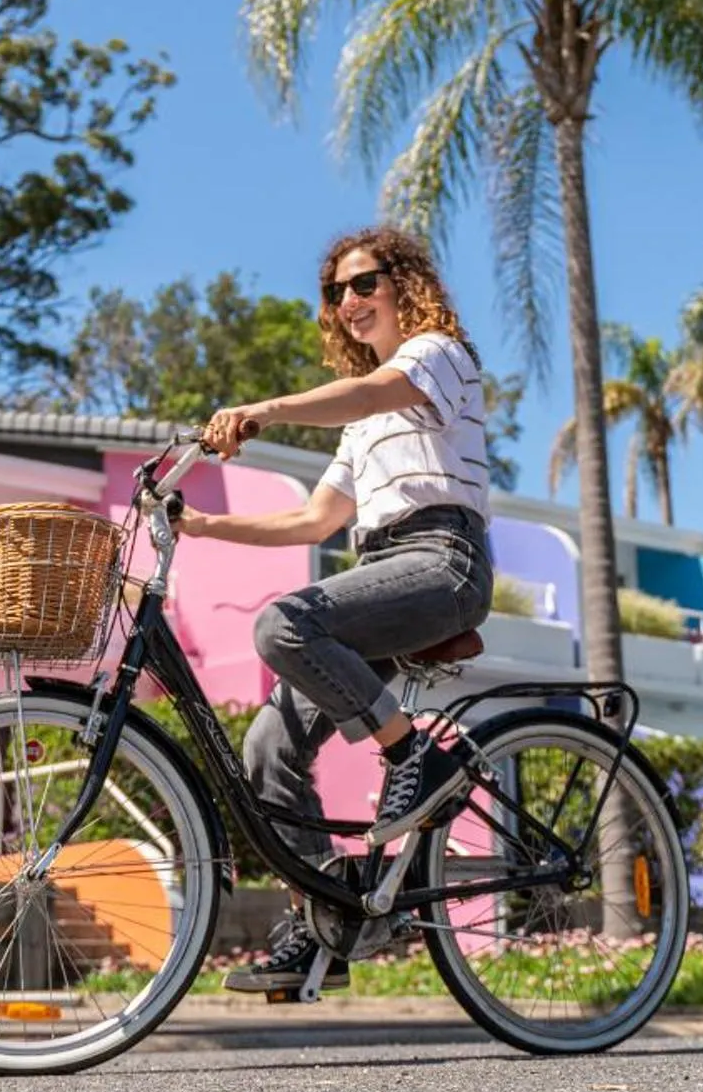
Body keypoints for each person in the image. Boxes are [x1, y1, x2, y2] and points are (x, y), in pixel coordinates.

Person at [178, 225, 495, 994]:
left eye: (364, 283)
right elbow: (312, 523)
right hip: (384, 574)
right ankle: (324, 923)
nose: (349, 302)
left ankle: (416, 757)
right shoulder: (361, 427)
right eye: (335, 292)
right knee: (266, 747)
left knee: (282, 623)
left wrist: (266, 408)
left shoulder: (437, 357)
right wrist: (199, 526)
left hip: (443, 562)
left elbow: (371, 387)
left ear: (404, 284)